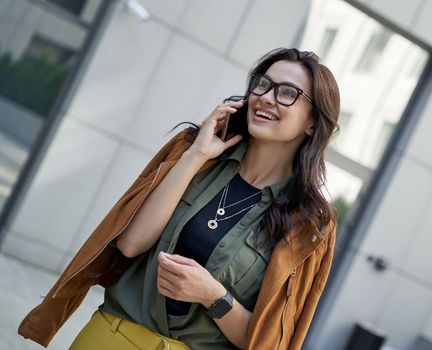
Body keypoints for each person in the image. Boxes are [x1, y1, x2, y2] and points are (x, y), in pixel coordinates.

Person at [18, 47, 340, 349]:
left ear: (312, 122)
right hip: (112, 336)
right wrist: (196, 155)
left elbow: (268, 342)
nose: (267, 98)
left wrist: (214, 296)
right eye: (263, 85)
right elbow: (131, 244)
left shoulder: (309, 224)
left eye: (287, 93)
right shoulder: (196, 151)